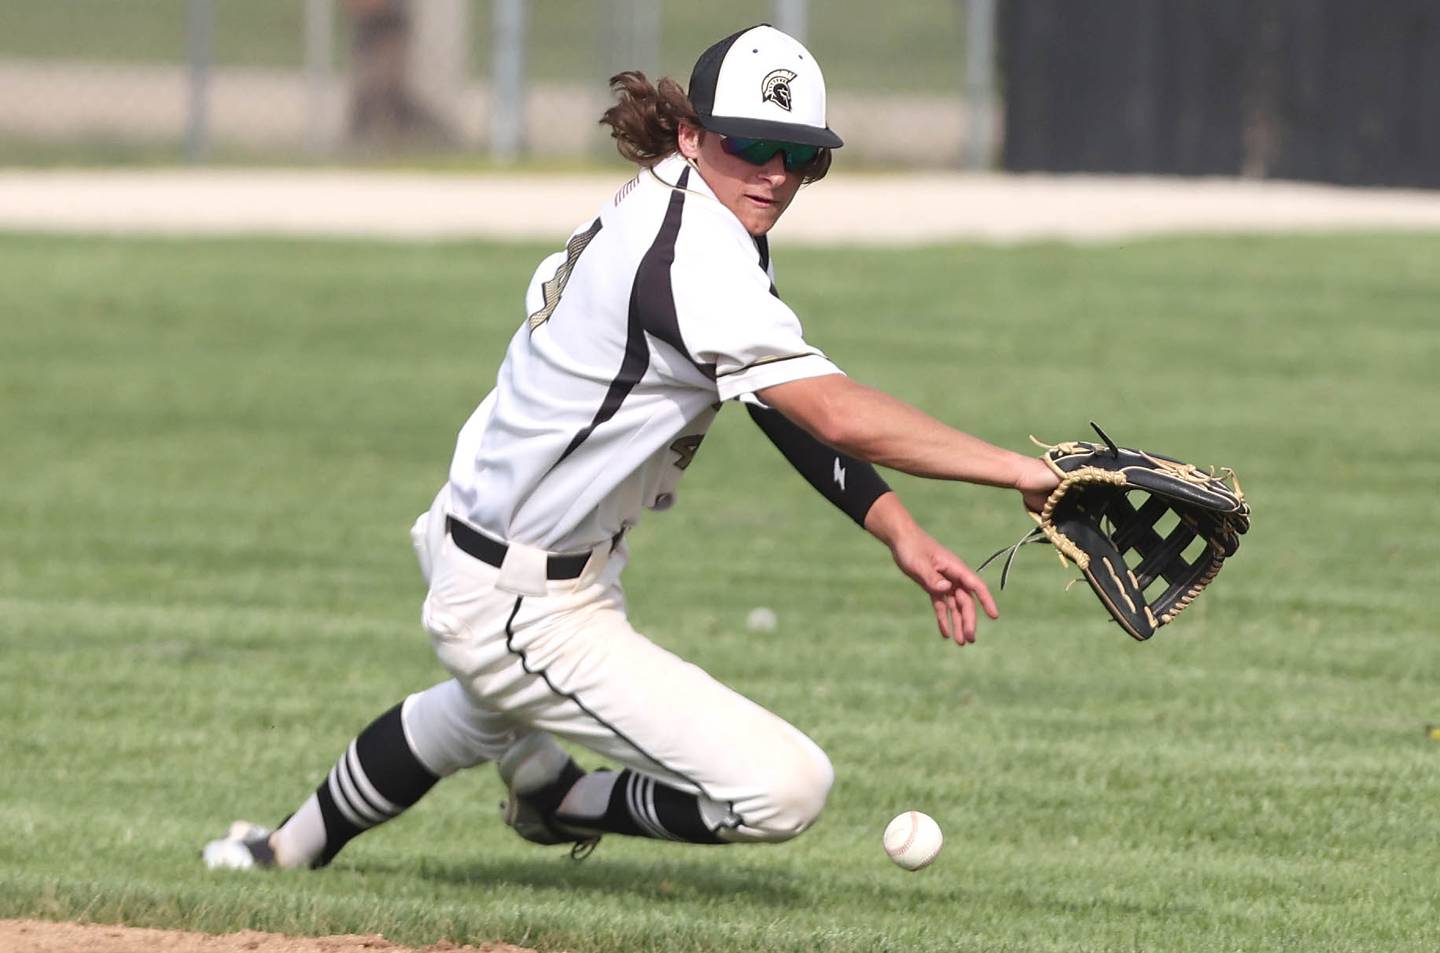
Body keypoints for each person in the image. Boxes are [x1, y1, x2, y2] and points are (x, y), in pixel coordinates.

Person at [202, 23, 1058, 871]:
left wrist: (899, 529)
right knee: (785, 787)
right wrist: (1022, 467)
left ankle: (277, 853)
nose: (774, 173)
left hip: (491, 541)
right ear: (692, 133)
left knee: (479, 715)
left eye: (802, 156)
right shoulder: (691, 258)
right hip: (520, 596)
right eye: (751, 143)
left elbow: (772, 403)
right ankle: (560, 801)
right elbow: (832, 412)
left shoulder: (688, 211)